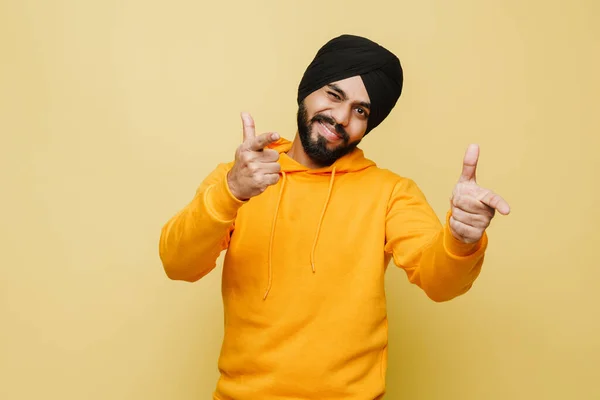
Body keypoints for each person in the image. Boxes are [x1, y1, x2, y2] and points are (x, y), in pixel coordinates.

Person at [158, 34, 510, 400]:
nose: (341, 118)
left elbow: (441, 283)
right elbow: (177, 263)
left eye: (361, 111)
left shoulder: (390, 193)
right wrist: (230, 192)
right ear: (306, 90)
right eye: (334, 95)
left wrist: (462, 238)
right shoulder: (241, 177)